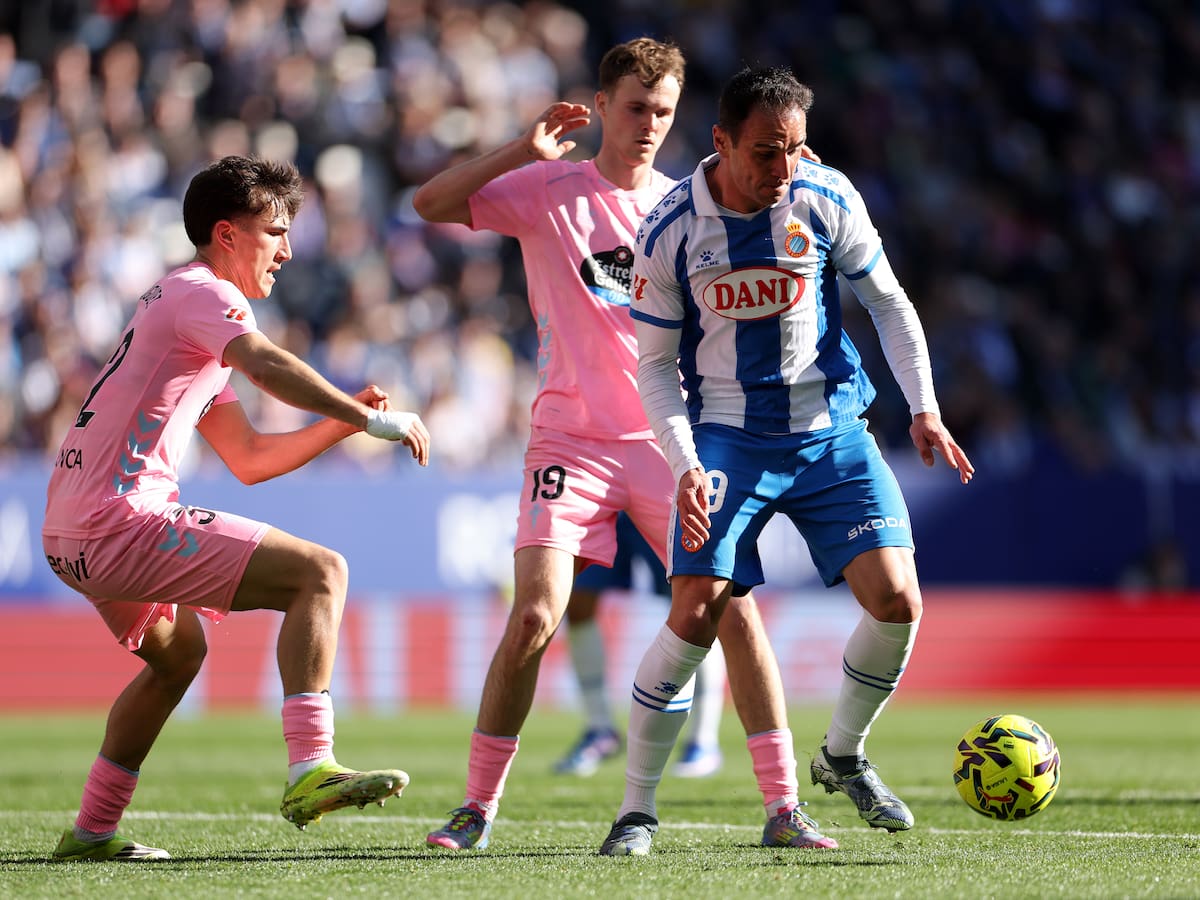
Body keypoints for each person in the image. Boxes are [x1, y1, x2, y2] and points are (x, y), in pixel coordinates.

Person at [413, 38, 835, 852]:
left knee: (732, 611)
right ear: (600, 106)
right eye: (636, 107)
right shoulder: (544, 190)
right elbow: (431, 202)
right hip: (569, 436)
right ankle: (475, 808)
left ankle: (784, 806)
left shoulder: (689, 206)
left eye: (664, 111)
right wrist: (517, 150)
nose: (648, 124)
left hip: (666, 439)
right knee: (535, 613)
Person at [598, 66, 974, 856]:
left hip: (832, 432)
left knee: (898, 600)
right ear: (722, 143)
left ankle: (841, 756)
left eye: (797, 150)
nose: (784, 170)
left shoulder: (825, 196)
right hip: (730, 435)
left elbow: (888, 303)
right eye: (766, 153)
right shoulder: (670, 229)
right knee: (695, 610)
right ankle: (636, 810)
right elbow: (656, 368)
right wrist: (685, 462)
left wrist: (925, 408)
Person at [42, 156, 431, 862]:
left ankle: (93, 830)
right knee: (321, 573)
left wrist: (341, 425)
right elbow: (268, 364)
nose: (285, 250)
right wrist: (367, 417)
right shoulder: (204, 295)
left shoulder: (182, 312)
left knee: (178, 655)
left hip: (72, 530)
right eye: (273, 231)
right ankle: (311, 767)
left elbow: (248, 457)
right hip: (118, 520)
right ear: (226, 234)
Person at [554, 512, 726, 779]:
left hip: (658, 486)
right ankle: (600, 729)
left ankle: (702, 740)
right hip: (603, 495)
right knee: (577, 598)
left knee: (691, 602)